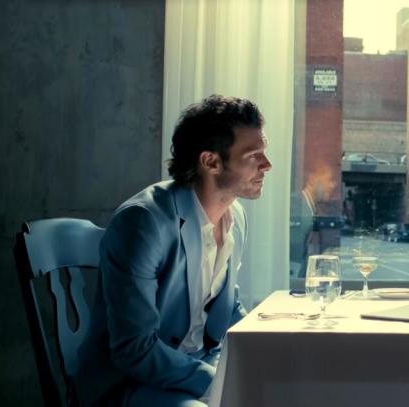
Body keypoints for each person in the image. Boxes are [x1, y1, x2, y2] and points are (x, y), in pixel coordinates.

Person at [76, 95, 272, 406]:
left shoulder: (236, 218)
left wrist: (266, 347)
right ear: (210, 161)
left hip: (195, 368)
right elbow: (134, 349)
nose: (267, 165)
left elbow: (224, 307)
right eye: (254, 155)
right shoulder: (144, 222)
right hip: (128, 384)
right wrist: (217, 382)